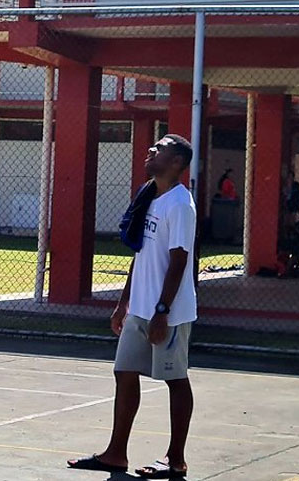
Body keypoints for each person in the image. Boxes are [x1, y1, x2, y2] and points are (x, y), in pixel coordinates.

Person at [69, 134, 197, 479]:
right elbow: (141, 254)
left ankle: (175, 460)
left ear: (176, 163)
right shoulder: (150, 196)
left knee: (175, 379)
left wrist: (162, 311)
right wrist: (123, 303)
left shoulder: (180, 204)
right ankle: (115, 454)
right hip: (140, 308)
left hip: (168, 312)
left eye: (160, 149)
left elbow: (179, 261)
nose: (151, 150)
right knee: (124, 372)